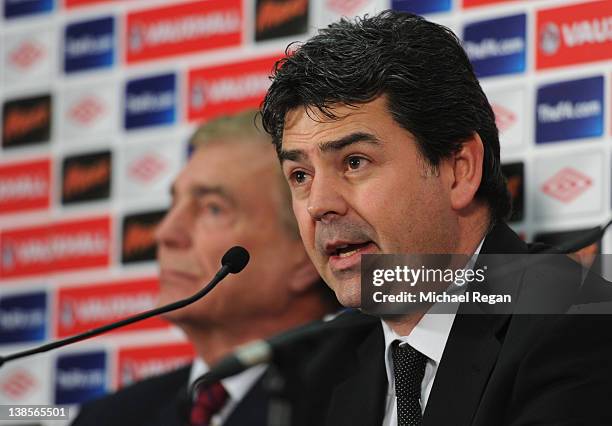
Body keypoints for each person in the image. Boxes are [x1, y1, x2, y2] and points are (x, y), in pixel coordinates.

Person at [260, 10, 612, 426]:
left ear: (459, 169)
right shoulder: (317, 368)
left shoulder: (576, 328)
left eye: (354, 162)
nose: (319, 204)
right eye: (300, 175)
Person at [72, 111, 339, 426]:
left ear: (306, 251)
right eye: (174, 204)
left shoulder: (363, 402)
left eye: (213, 208)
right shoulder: (108, 418)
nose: (165, 233)